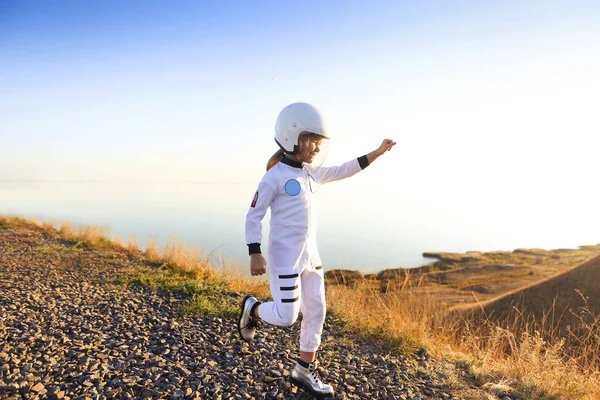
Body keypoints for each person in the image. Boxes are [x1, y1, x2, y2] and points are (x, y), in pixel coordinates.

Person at [238, 102, 396, 399]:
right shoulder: (274, 177)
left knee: (317, 311)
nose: (317, 146)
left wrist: (376, 152)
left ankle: (303, 369)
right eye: (313, 139)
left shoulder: (311, 173)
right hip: (286, 259)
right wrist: (254, 251)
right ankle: (253, 309)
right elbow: (253, 215)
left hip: (311, 257)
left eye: (320, 141)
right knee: (287, 316)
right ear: (292, 136)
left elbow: (344, 169)